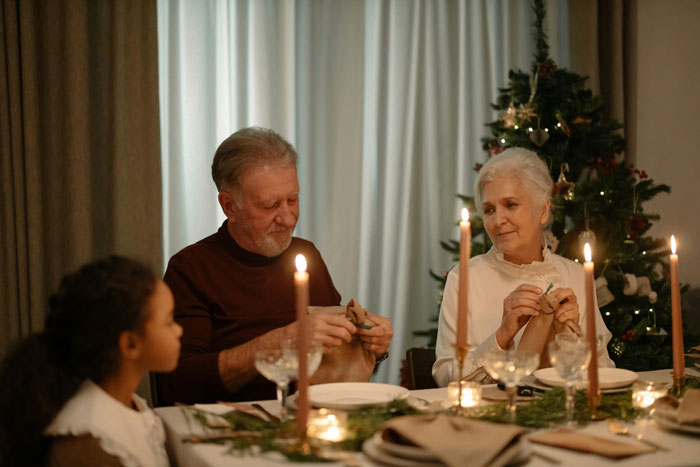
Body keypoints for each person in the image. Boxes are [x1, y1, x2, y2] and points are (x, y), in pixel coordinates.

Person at [159, 126, 393, 404]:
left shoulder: (307, 254)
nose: (288, 218)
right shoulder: (192, 268)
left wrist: (371, 345)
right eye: (270, 206)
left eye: (293, 200)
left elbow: (335, 361)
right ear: (229, 207)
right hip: (229, 427)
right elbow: (176, 383)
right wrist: (277, 344)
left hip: (312, 419)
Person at [432, 147, 614, 387]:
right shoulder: (464, 278)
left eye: (510, 204)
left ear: (544, 210)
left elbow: (604, 377)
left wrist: (573, 337)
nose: (498, 221)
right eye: (489, 210)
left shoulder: (577, 277)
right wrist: (501, 336)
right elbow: (445, 378)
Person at [0, 256, 182, 467]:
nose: (179, 330)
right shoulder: (90, 443)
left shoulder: (130, 403)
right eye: (169, 322)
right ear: (131, 344)